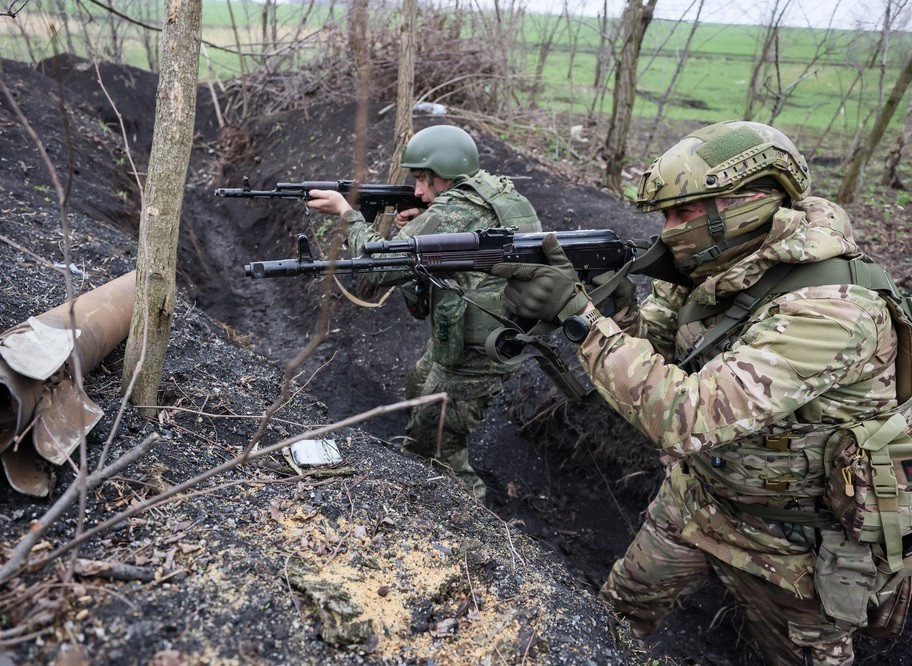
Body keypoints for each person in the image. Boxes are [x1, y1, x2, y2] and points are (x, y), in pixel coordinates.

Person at [493, 121, 910, 664]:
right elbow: (659, 361)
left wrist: (582, 320)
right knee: (609, 621)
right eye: (664, 215)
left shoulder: (834, 309)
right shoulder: (709, 268)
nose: (667, 231)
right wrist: (616, 311)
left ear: (748, 203)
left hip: (794, 542)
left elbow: (689, 416)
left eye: (683, 212)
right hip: (698, 499)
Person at [307, 124, 542, 499]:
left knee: (436, 449)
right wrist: (418, 228)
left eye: (422, 180)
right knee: (418, 384)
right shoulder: (492, 191)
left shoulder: (457, 208)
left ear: (446, 173)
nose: (417, 191)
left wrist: (347, 214)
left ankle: (472, 521)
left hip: (480, 348)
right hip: (484, 331)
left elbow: (380, 267)